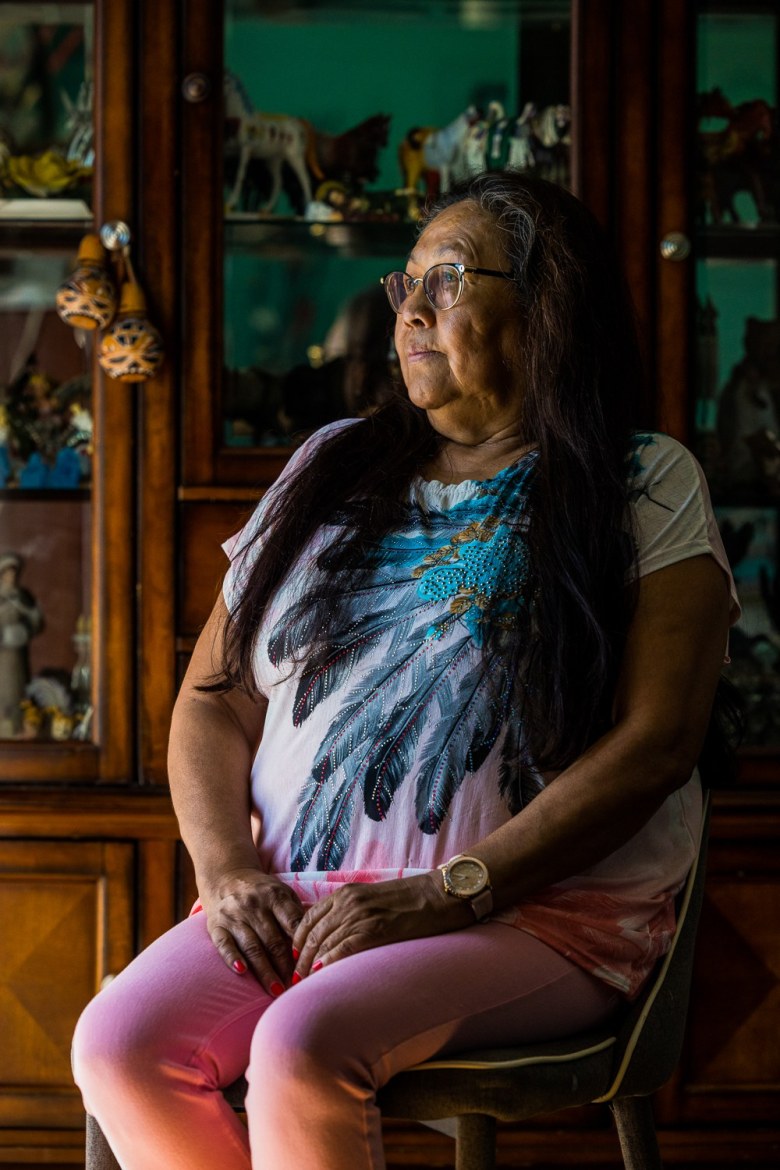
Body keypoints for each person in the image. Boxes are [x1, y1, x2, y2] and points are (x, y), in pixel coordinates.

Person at [72, 170, 741, 1170]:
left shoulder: (642, 480)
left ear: (546, 303)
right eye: (407, 285)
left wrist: (447, 889)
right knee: (120, 1045)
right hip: (302, 899)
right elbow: (214, 697)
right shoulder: (330, 467)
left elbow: (657, 745)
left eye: (452, 277)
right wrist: (226, 871)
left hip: (537, 915)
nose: (413, 310)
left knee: (302, 1043)